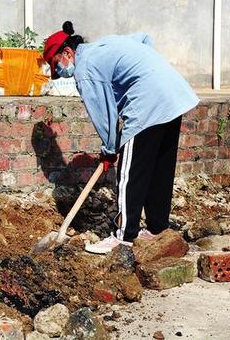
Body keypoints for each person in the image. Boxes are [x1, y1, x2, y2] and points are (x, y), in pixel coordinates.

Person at [42, 21, 199, 254]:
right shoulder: (105, 44)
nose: (61, 70)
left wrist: (109, 148)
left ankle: (123, 236)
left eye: (58, 64)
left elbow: (103, 111)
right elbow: (144, 38)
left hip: (147, 103)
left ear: (67, 52)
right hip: (174, 95)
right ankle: (157, 229)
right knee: (159, 168)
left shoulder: (85, 68)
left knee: (130, 173)